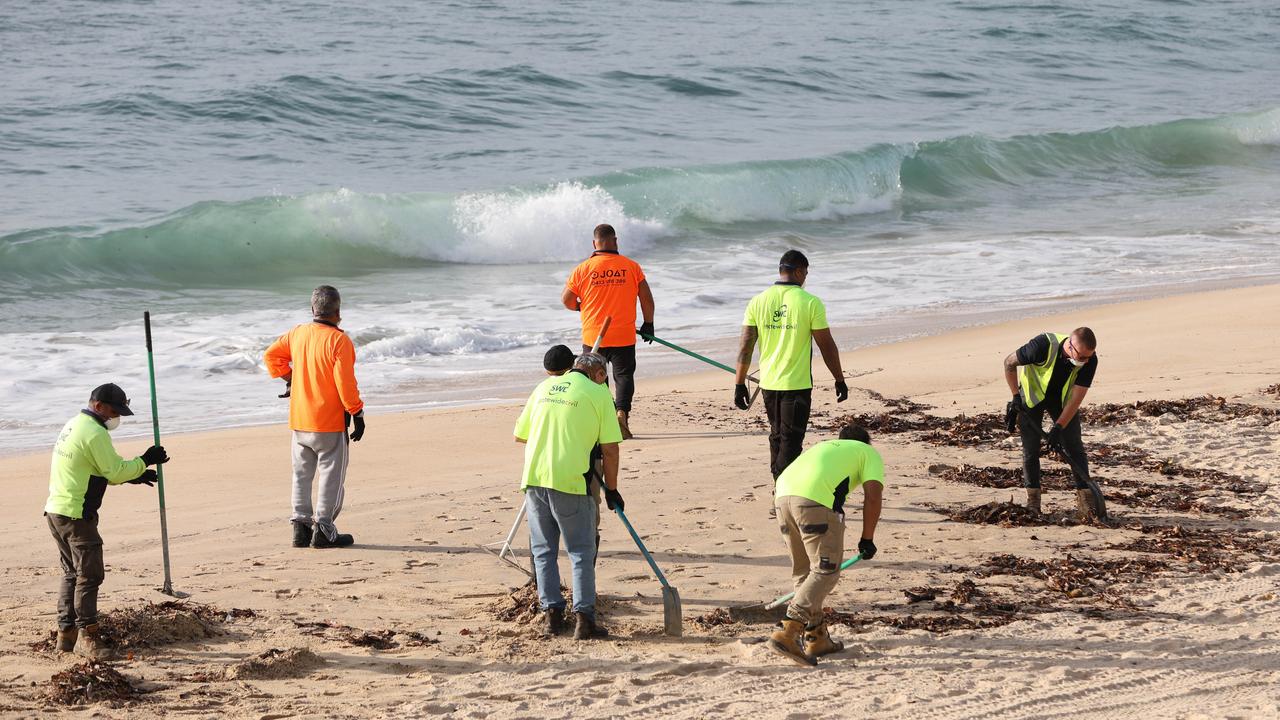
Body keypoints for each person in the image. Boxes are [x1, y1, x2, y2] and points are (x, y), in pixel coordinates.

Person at [45, 383, 170, 658]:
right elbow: (113, 472)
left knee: (71, 574)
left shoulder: (74, 424)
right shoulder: (95, 432)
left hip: (56, 510)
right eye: (114, 411)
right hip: (77, 515)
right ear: (98, 405)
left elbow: (93, 470)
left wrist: (134, 476)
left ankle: (66, 636)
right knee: (90, 576)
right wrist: (145, 460)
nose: (117, 418)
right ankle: (87, 638)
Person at [514, 353, 624, 640]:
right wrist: (612, 490)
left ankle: (551, 615)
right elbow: (611, 450)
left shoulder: (542, 387)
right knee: (580, 552)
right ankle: (584, 619)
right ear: (599, 375)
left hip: (535, 478)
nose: (606, 383)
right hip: (571, 482)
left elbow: (521, 434)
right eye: (605, 378)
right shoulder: (598, 394)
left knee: (544, 551)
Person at [767, 424, 883, 667]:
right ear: (866, 442)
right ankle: (788, 630)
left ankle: (816, 637)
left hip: (782, 498)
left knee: (804, 572)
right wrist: (867, 538)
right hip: (814, 502)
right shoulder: (867, 452)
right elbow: (873, 496)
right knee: (826, 571)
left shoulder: (823, 447)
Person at [264, 285, 365, 549]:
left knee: (301, 475)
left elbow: (271, 356)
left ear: (313, 310)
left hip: (300, 421)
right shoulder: (339, 341)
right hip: (329, 423)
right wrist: (357, 411)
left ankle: (300, 528)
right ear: (338, 312)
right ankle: (324, 529)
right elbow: (345, 384)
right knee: (331, 475)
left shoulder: (297, 334)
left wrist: (291, 379)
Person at [734, 250, 848, 480]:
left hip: (769, 383)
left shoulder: (758, 301)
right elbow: (826, 345)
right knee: (791, 440)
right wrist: (839, 379)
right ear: (798, 271)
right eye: (805, 273)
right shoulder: (810, 302)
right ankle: (783, 492)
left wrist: (739, 384)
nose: (805, 278)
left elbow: (746, 345)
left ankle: (780, 490)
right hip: (796, 384)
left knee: (777, 436)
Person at [561, 223, 656, 440]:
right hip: (623, 334)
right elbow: (646, 298)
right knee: (623, 376)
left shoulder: (583, 269)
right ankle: (622, 413)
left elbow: (566, 299)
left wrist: (580, 307)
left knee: (596, 379)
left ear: (595, 244)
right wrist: (648, 323)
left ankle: (603, 422)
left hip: (594, 335)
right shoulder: (631, 266)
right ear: (615, 241)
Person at [1002, 327, 1105, 520]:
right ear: (1070, 345)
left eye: (1088, 357)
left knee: (1074, 447)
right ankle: (1033, 502)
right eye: (1081, 356)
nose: (1084, 361)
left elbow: (1076, 400)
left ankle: (1086, 501)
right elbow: (1008, 363)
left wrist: (1058, 427)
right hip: (1031, 398)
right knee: (1031, 449)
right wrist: (1015, 396)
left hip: (1062, 401)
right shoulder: (1041, 346)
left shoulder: (1090, 361)